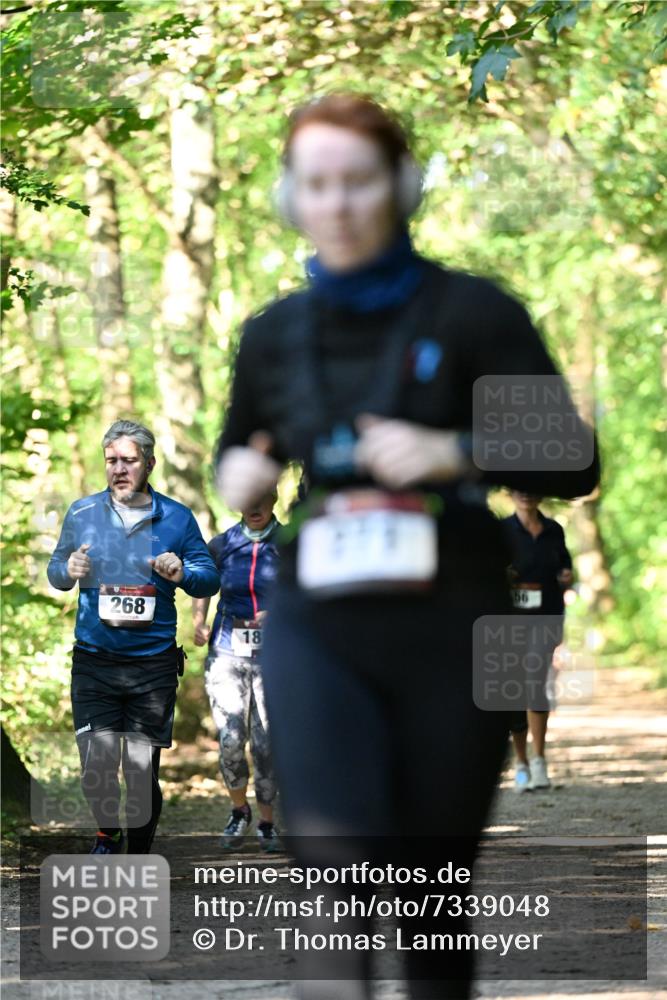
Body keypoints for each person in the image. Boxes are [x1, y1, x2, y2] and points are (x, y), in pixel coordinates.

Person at [214, 94, 600, 1000]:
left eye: (357, 182)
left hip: (454, 624)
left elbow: (575, 461)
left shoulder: (472, 315)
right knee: (333, 873)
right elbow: (244, 449)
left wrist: (455, 449)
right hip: (319, 624)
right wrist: (241, 477)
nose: (338, 204)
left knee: (430, 889)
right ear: (292, 199)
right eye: (317, 185)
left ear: (401, 188)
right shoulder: (275, 337)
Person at [47, 420, 219, 854]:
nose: (119, 469)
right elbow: (55, 570)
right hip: (95, 660)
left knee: (141, 771)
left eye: (129, 460)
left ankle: (138, 854)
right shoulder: (82, 514)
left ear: (149, 464)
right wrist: (68, 571)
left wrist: (182, 572)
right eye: (111, 460)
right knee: (96, 768)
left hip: (153, 665)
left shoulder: (177, 517)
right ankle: (108, 834)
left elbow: (208, 578)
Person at [192, 490, 281, 851]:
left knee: (266, 744)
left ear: (273, 499)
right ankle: (238, 810)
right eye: (248, 500)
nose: (254, 507)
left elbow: (304, 589)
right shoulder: (222, 544)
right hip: (227, 651)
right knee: (230, 739)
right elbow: (204, 583)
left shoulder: (289, 543)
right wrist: (199, 619)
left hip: (275, 656)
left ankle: (267, 822)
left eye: (261, 500)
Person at [503, 491, 574, 792]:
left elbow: (566, 568)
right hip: (509, 621)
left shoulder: (554, 530)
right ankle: (520, 764)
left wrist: (567, 576)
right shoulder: (501, 531)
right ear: (509, 493)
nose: (526, 495)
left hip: (546, 618)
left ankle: (539, 761)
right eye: (519, 489)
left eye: (532, 490)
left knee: (535, 680)